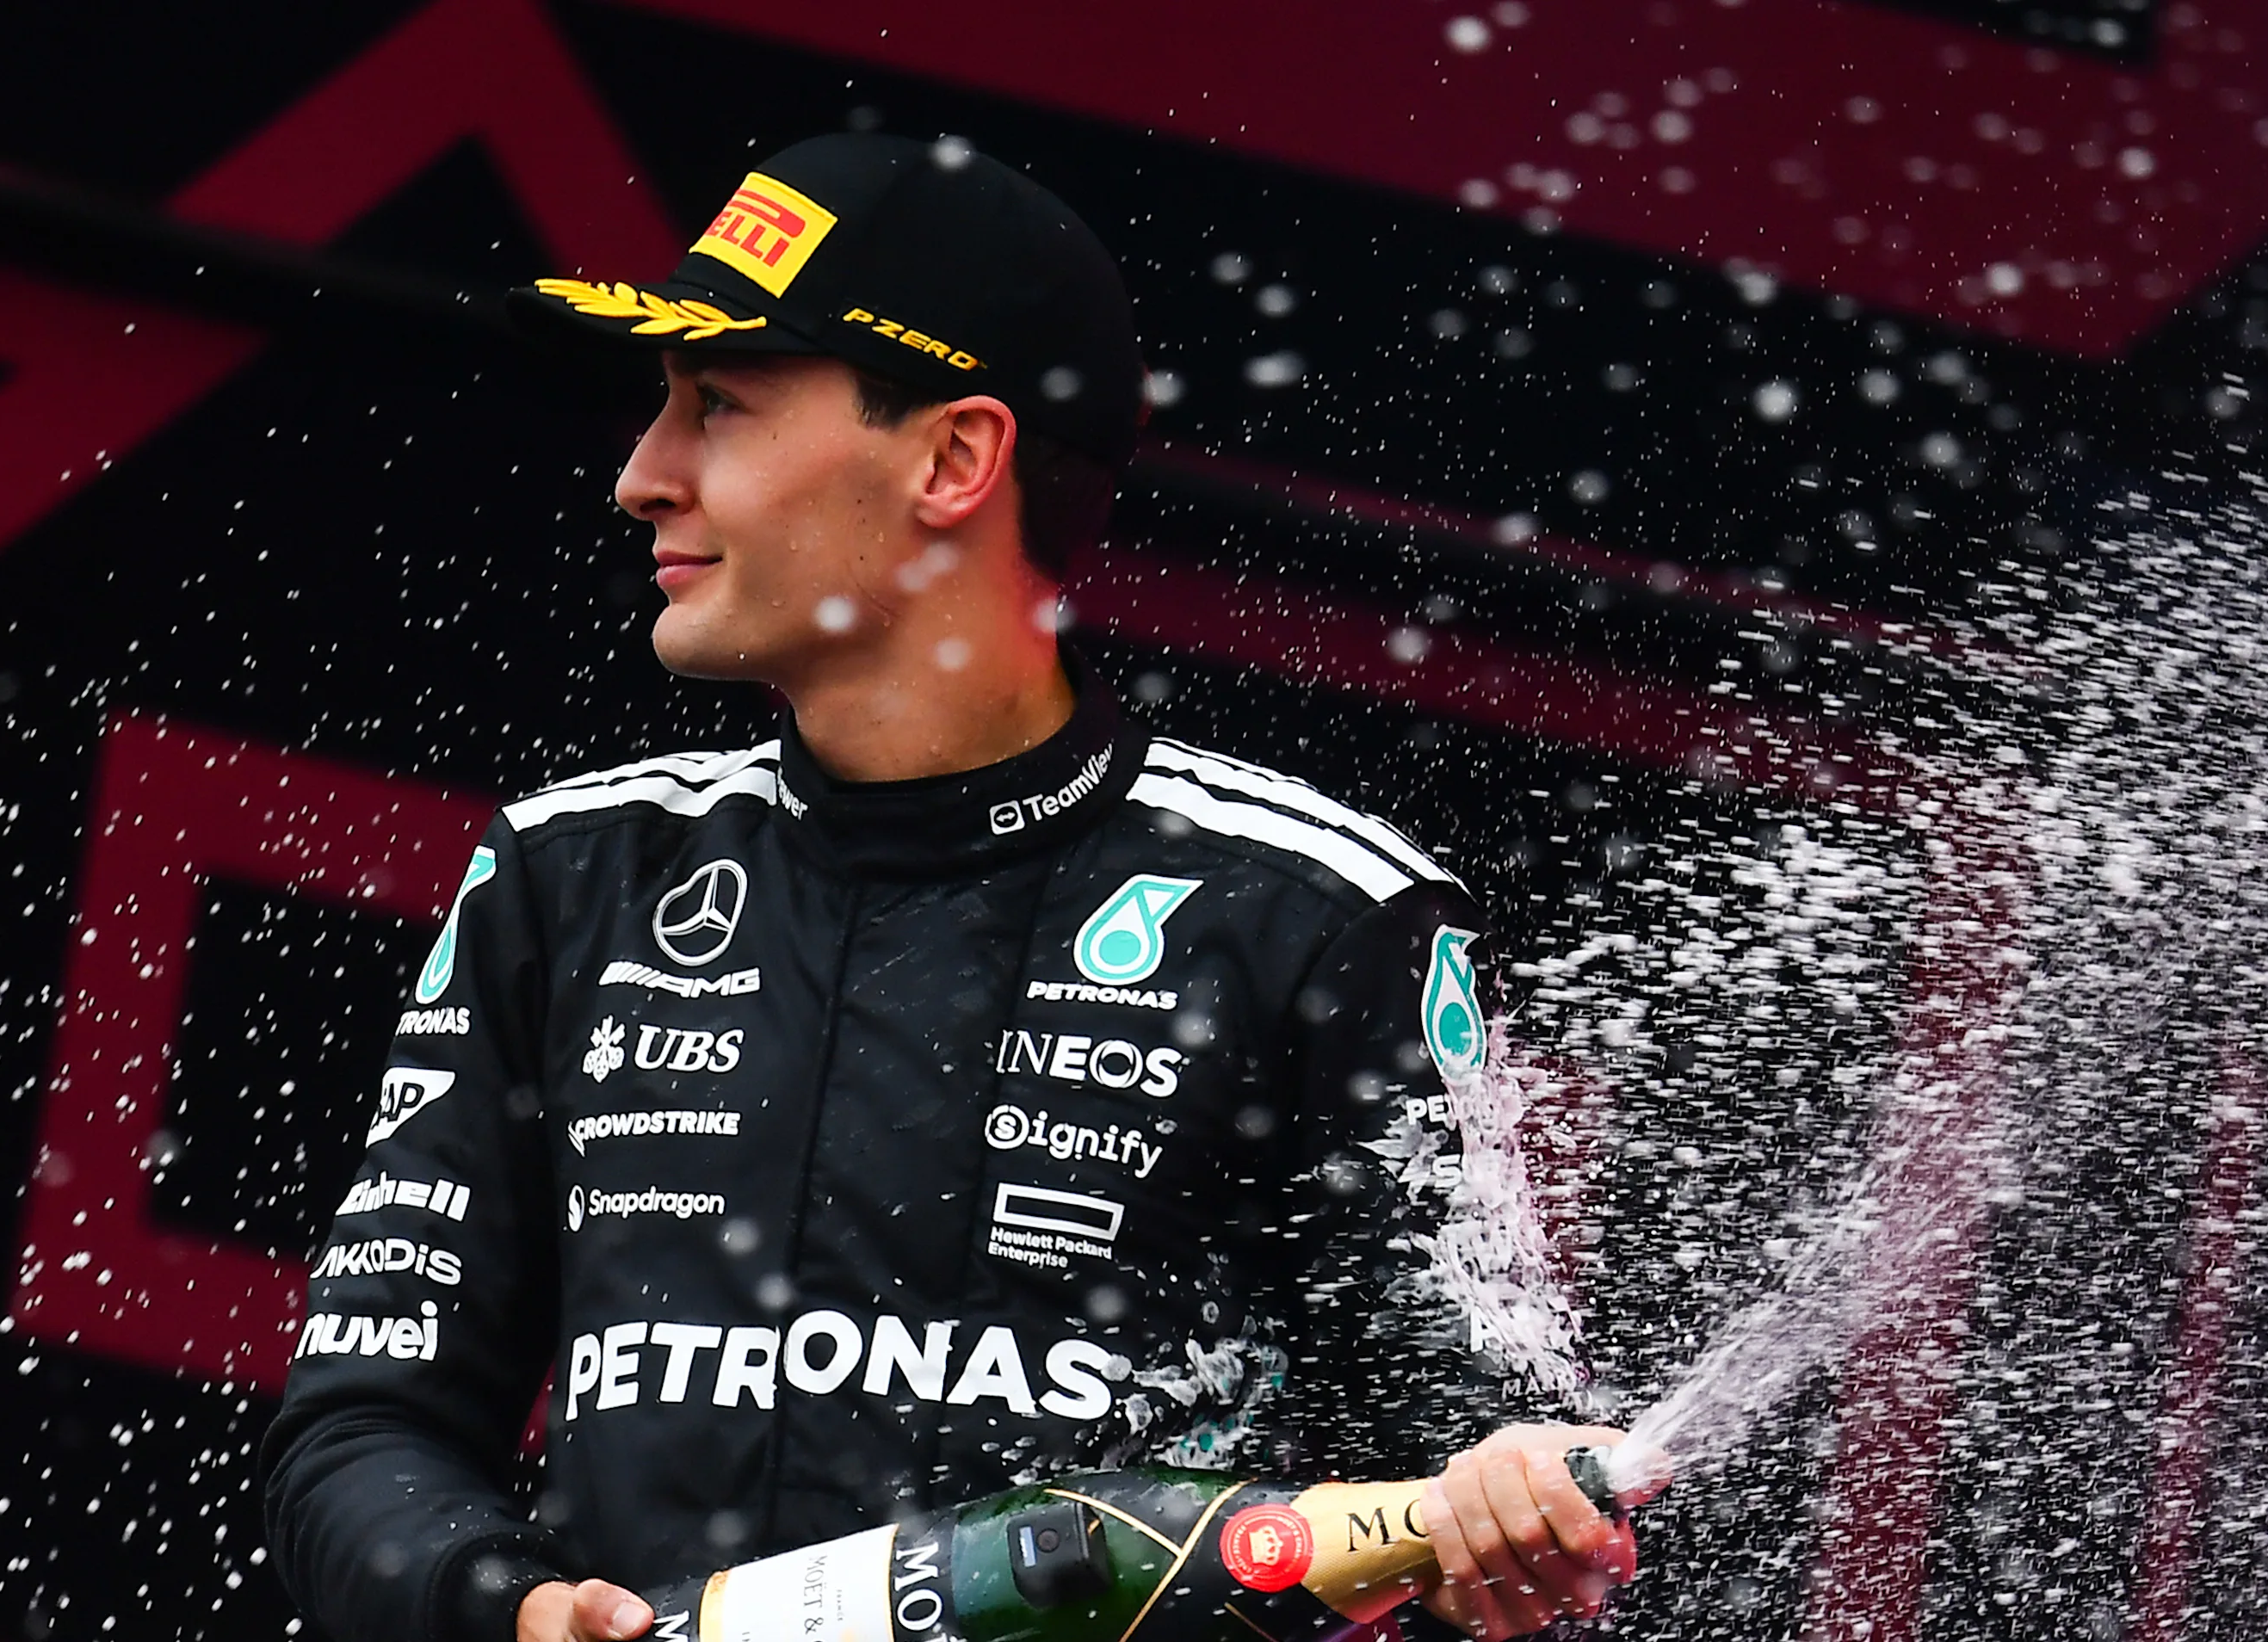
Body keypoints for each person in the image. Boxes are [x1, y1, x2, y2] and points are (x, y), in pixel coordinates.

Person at [258, 133, 1653, 1642]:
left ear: (953, 460)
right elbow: (358, 1435)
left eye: (717, 404)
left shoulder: (1317, 915)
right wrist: (510, 1613)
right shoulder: (566, 874)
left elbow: (1487, 1477)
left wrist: (1518, 1520)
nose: (641, 475)